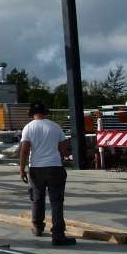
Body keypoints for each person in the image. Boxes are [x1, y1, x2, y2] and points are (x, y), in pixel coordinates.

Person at [19, 102, 76, 246]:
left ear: (32, 113)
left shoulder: (28, 127)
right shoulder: (55, 127)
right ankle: (58, 235)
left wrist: (21, 169)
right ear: (46, 112)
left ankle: (37, 227)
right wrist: (59, 158)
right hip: (55, 168)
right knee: (56, 202)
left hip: (36, 169)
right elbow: (64, 149)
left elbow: (25, 150)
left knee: (37, 199)